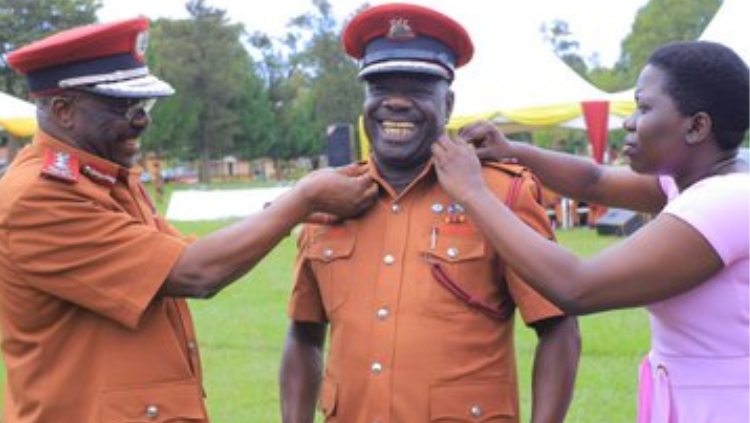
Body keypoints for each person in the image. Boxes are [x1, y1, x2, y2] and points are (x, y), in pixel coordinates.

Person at [0, 17, 377, 423]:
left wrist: (285, 209)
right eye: (123, 106)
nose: (142, 120)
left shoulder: (103, 177)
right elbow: (196, 273)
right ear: (63, 110)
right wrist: (302, 200)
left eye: (144, 105)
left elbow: (184, 252)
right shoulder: (38, 198)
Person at [280, 4, 580, 423]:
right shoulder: (330, 199)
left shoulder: (497, 193)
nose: (396, 103)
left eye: (419, 88)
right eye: (380, 87)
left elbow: (559, 330)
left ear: (449, 103)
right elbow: (303, 335)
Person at [431, 40, 748, 423]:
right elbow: (594, 181)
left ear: (697, 126)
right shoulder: (695, 180)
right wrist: (513, 150)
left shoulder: (725, 203)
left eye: (645, 108)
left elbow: (576, 287)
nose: (630, 122)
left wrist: (472, 193)